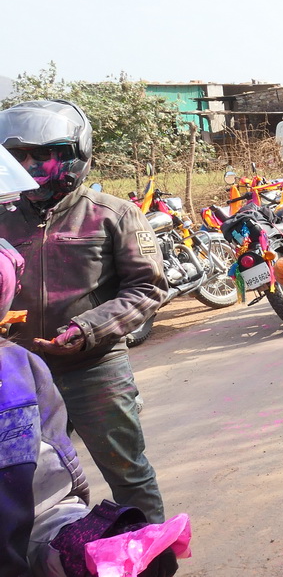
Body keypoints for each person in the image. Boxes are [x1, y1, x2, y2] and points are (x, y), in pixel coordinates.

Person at [0, 100, 168, 524]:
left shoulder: (113, 213)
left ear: (75, 154)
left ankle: (151, 559)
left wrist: (87, 329)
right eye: (18, 156)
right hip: (19, 373)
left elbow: (148, 287)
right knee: (26, 480)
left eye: (44, 154)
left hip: (94, 368)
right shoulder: (2, 218)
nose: (30, 165)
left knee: (127, 471)